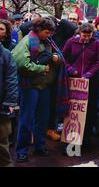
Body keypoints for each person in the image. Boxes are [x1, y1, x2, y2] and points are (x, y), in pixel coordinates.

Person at [13, 18, 62, 163]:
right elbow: (21, 64)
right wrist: (41, 68)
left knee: (42, 119)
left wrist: (56, 57)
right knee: (26, 119)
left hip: (44, 86)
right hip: (30, 87)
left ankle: (39, 146)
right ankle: (21, 150)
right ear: (38, 30)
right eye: (47, 32)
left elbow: (60, 55)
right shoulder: (27, 41)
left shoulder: (48, 41)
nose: (49, 35)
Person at [62, 23, 99, 147]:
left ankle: (86, 139)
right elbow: (63, 57)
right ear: (79, 33)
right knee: (73, 111)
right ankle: (71, 141)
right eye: (84, 35)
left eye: (89, 36)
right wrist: (70, 69)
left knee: (89, 111)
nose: (86, 38)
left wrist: (89, 73)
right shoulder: (71, 42)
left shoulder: (96, 43)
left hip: (90, 82)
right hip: (73, 82)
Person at [0, 41, 18, 167]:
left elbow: (11, 79)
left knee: (2, 138)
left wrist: (10, 101)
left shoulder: (5, 54)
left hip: (1, 103)